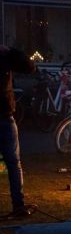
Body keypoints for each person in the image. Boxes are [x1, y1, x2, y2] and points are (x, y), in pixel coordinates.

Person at [0, 45, 36, 218]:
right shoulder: (5, 56)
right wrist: (13, 51)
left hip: (5, 117)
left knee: (14, 164)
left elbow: (29, 67)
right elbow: (29, 67)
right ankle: (18, 206)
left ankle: (19, 206)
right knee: (14, 164)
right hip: (5, 117)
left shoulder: (5, 56)